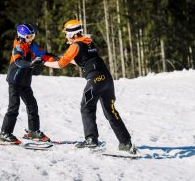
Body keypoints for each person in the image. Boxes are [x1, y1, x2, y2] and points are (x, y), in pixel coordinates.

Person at [44, 20, 136, 153]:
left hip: (95, 80)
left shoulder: (76, 45)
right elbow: (83, 60)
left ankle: (91, 140)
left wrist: (43, 62)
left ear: (72, 34)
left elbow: (60, 64)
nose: (65, 37)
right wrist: (64, 57)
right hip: (107, 80)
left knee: (86, 107)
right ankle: (125, 142)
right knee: (110, 111)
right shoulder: (88, 41)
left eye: (66, 34)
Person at [0, 23, 55, 144]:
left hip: (25, 82)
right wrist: (31, 63)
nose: (31, 39)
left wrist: (58, 59)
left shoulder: (32, 46)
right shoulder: (18, 47)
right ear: (22, 36)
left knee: (32, 105)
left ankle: (33, 130)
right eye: (29, 37)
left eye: (33, 36)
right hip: (14, 81)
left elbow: (44, 54)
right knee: (14, 107)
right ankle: (5, 133)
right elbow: (18, 62)